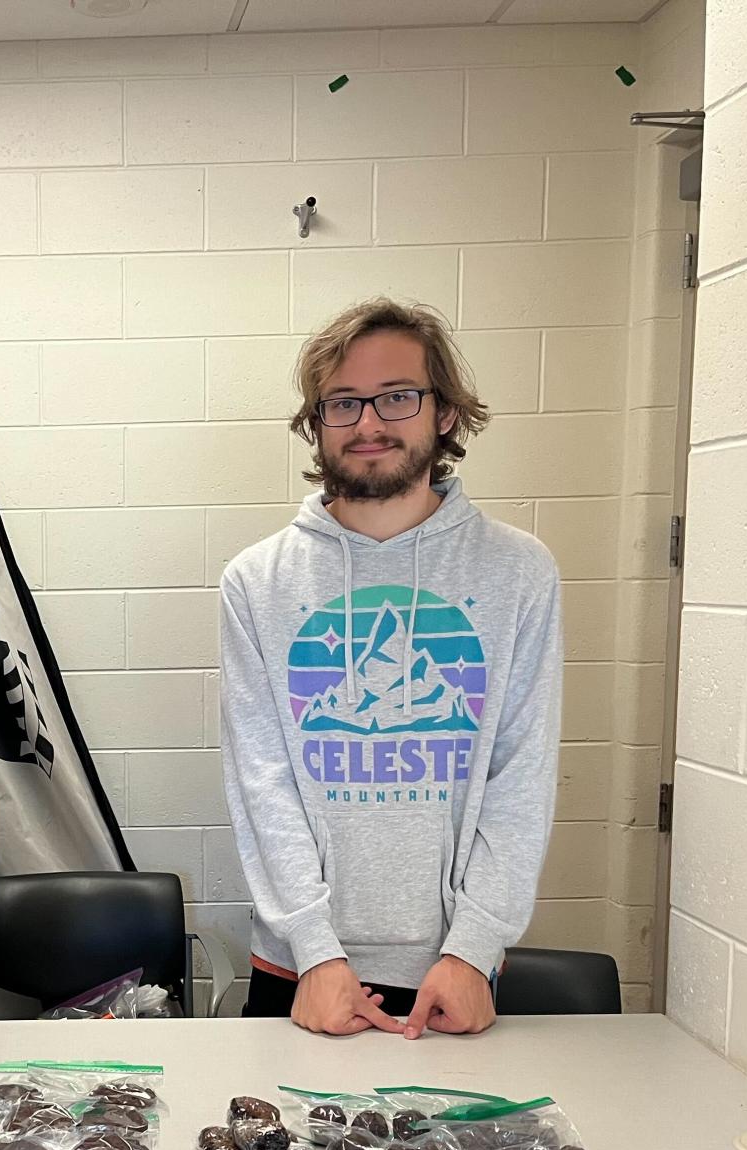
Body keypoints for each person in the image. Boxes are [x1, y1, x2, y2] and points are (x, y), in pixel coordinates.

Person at [219, 297, 562, 1040]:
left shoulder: (518, 571)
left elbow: (519, 775)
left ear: (442, 412)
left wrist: (473, 949)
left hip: (451, 971)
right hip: (300, 970)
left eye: (396, 396)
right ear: (316, 421)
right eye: (342, 402)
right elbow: (261, 781)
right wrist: (313, 951)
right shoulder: (256, 581)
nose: (368, 423)